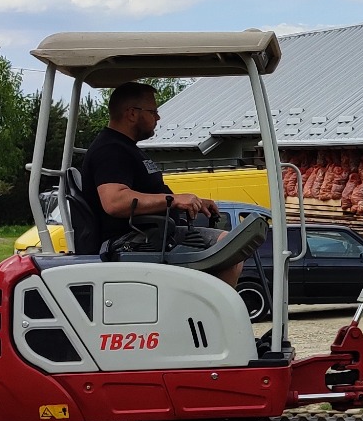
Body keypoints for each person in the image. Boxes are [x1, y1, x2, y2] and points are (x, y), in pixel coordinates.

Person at [80, 82, 244, 285]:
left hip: (153, 235)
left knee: (232, 245)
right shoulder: (110, 150)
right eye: (153, 112)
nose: (158, 118)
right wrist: (174, 200)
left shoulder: (125, 148)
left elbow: (145, 194)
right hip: (132, 240)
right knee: (228, 247)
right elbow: (114, 201)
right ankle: (211, 306)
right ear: (132, 114)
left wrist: (193, 202)